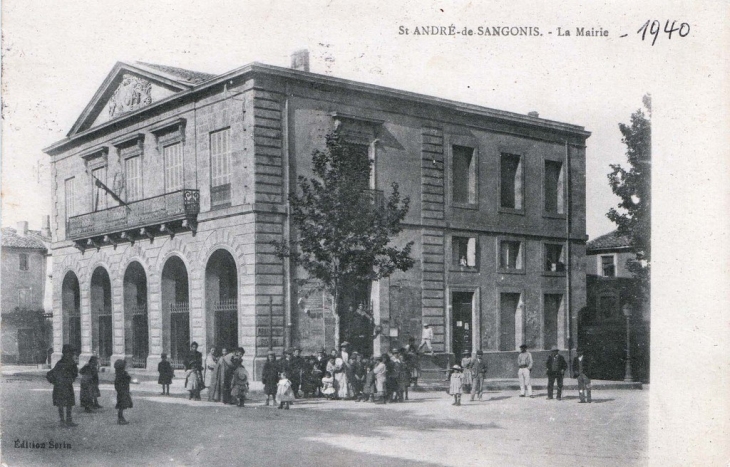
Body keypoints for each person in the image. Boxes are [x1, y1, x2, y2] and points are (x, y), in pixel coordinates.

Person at [49, 344, 78, 427]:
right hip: (66, 386)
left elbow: (52, 374)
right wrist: (70, 379)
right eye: (72, 352)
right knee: (68, 404)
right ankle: (68, 420)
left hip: (59, 386)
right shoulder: (71, 362)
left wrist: (56, 381)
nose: (72, 354)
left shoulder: (60, 362)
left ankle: (63, 421)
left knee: (61, 404)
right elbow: (75, 373)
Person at [114, 359, 133, 425]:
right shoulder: (121, 374)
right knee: (121, 406)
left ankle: (121, 418)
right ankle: (120, 419)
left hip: (123, 392)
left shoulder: (120, 374)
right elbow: (126, 380)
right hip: (122, 392)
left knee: (122, 406)